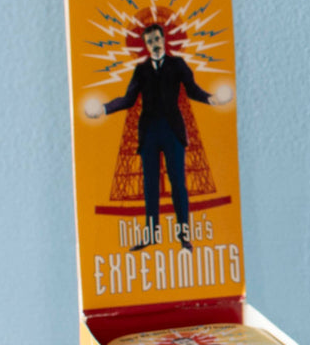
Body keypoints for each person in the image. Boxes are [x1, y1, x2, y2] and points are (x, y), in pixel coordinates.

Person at [84, 23, 233, 251]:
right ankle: (151, 236)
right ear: (146, 45)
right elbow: (128, 99)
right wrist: (103, 109)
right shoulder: (141, 70)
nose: (154, 44)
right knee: (150, 185)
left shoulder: (177, 64)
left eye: (157, 39)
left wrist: (212, 99)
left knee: (178, 184)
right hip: (149, 133)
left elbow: (192, 90)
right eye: (150, 41)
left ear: (163, 40)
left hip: (172, 130)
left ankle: (184, 236)